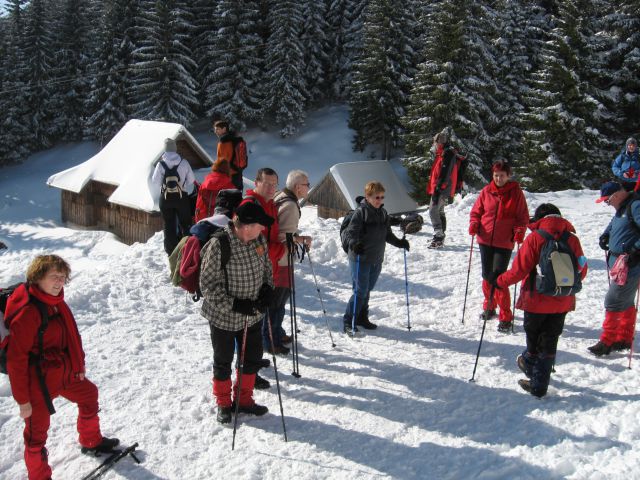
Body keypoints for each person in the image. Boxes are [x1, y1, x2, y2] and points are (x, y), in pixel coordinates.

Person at [4, 255, 119, 479]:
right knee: (36, 436)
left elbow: (71, 337)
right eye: (54, 277)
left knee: (89, 394)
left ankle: (91, 440)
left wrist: (78, 365)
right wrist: (23, 401)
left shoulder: (55, 301)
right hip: (38, 384)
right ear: (37, 278)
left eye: (63, 277)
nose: (59, 282)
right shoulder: (29, 312)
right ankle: (39, 476)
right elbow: (16, 361)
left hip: (63, 374)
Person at [493, 204, 588, 397]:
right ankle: (538, 382)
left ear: (539, 219)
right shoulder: (572, 239)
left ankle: (531, 369)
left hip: (536, 300)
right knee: (550, 341)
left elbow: (519, 270)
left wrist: (499, 281)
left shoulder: (535, 238)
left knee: (534, 342)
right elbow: (582, 269)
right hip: (562, 300)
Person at [199, 200, 275, 424]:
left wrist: (267, 289)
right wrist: (235, 304)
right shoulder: (220, 245)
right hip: (223, 317)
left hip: (253, 315)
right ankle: (224, 403)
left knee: (250, 359)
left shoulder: (258, 240)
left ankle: (244, 400)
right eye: (260, 225)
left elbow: (267, 269)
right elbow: (208, 287)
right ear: (247, 225)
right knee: (222, 361)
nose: (263, 229)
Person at [341, 181, 410, 333]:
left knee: (367, 289)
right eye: (376, 197)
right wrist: (354, 244)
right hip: (360, 258)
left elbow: (387, 234)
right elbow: (351, 233)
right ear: (368, 196)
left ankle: (362, 318)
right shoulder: (361, 213)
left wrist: (399, 243)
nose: (380, 200)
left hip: (376, 258)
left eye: (382, 197)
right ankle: (348, 320)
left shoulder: (383, 213)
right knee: (360, 290)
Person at [469, 159, 529, 332]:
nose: (498, 179)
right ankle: (489, 305)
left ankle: (505, 315)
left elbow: (522, 217)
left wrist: (519, 231)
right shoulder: (487, 191)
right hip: (485, 239)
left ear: (508, 176)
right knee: (487, 275)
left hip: (504, 242)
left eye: (502, 176)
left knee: (499, 278)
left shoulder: (516, 193)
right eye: (496, 175)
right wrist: (474, 223)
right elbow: (476, 212)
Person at [265, 170, 313, 355]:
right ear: (297, 187)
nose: (309, 187)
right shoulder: (291, 205)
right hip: (282, 260)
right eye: (306, 184)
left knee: (278, 300)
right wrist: (301, 240)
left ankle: (276, 333)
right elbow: (284, 235)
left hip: (277, 258)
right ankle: (271, 339)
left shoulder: (281, 195)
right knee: (278, 301)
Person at [589, 181, 640, 356]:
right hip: (619, 262)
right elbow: (613, 224)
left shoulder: (635, 206)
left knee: (613, 301)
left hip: (630, 263)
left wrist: (636, 250)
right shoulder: (622, 207)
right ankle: (624, 337)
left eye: (607, 200)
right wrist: (606, 235)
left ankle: (607, 341)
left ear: (616, 195)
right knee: (625, 301)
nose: (606, 203)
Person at [151, 138, 196, 255]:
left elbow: (155, 181)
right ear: (175, 148)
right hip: (181, 197)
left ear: (165, 149)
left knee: (169, 223)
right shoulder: (183, 162)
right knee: (185, 223)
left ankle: (171, 251)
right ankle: (186, 247)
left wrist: (164, 184)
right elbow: (192, 179)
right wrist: (183, 185)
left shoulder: (161, 164)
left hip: (165, 198)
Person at [426, 127, 465, 248]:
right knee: (440, 210)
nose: (434, 144)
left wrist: (439, 188)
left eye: (435, 142)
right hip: (442, 187)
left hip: (442, 188)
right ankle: (441, 235)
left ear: (439, 142)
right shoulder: (443, 152)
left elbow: (445, 173)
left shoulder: (447, 154)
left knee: (433, 210)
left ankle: (438, 236)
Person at [213, 120, 245, 191]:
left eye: (217, 129)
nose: (215, 132)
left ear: (224, 129)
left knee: (229, 199)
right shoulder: (236, 139)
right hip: (238, 173)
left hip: (229, 176)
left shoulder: (223, 143)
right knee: (238, 198)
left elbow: (222, 161)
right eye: (215, 130)